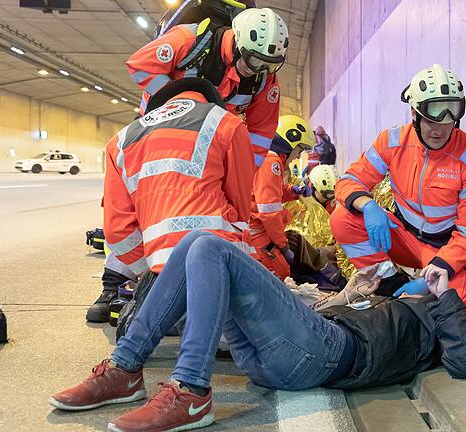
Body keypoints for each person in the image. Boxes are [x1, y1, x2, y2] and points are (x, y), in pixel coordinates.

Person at [49, 231, 466, 432]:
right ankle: (125, 368)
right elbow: (334, 315)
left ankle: (191, 391)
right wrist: (353, 292)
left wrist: (444, 295)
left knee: (211, 247)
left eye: (428, 284)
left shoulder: (438, 317)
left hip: (325, 353)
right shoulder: (393, 308)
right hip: (287, 354)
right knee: (194, 246)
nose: (419, 283)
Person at [84, 77, 255, 323]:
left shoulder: (120, 141)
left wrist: (151, 272)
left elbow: (117, 231)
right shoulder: (228, 124)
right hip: (218, 268)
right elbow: (241, 210)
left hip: (158, 268)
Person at [330, 64, 466, 308]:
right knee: (342, 219)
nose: (439, 130)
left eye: (448, 121)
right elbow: (349, 181)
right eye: (431, 120)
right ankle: (388, 282)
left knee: (455, 309)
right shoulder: (392, 141)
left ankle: (423, 287)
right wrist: (367, 206)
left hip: (447, 247)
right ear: (414, 114)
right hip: (402, 236)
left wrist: (439, 269)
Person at [128, 4, 288, 169]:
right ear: (238, 43)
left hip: (205, 147)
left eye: (270, 65)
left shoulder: (264, 78)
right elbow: (140, 65)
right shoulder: (188, 39)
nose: (259, 70)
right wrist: (179, 103)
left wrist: (244, 171)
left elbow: (261, 131)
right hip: (156, 132)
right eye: (255, 61)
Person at [246, 115, 316, 279]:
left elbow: (269, 192)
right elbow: (269, 212)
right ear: (290, 142)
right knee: (281, 273)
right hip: (257, 235)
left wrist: (294, 191)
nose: (298, 156)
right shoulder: (271, 161)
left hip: (255, 231)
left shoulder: (265, 157)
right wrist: (283, 246)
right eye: (300, 149)